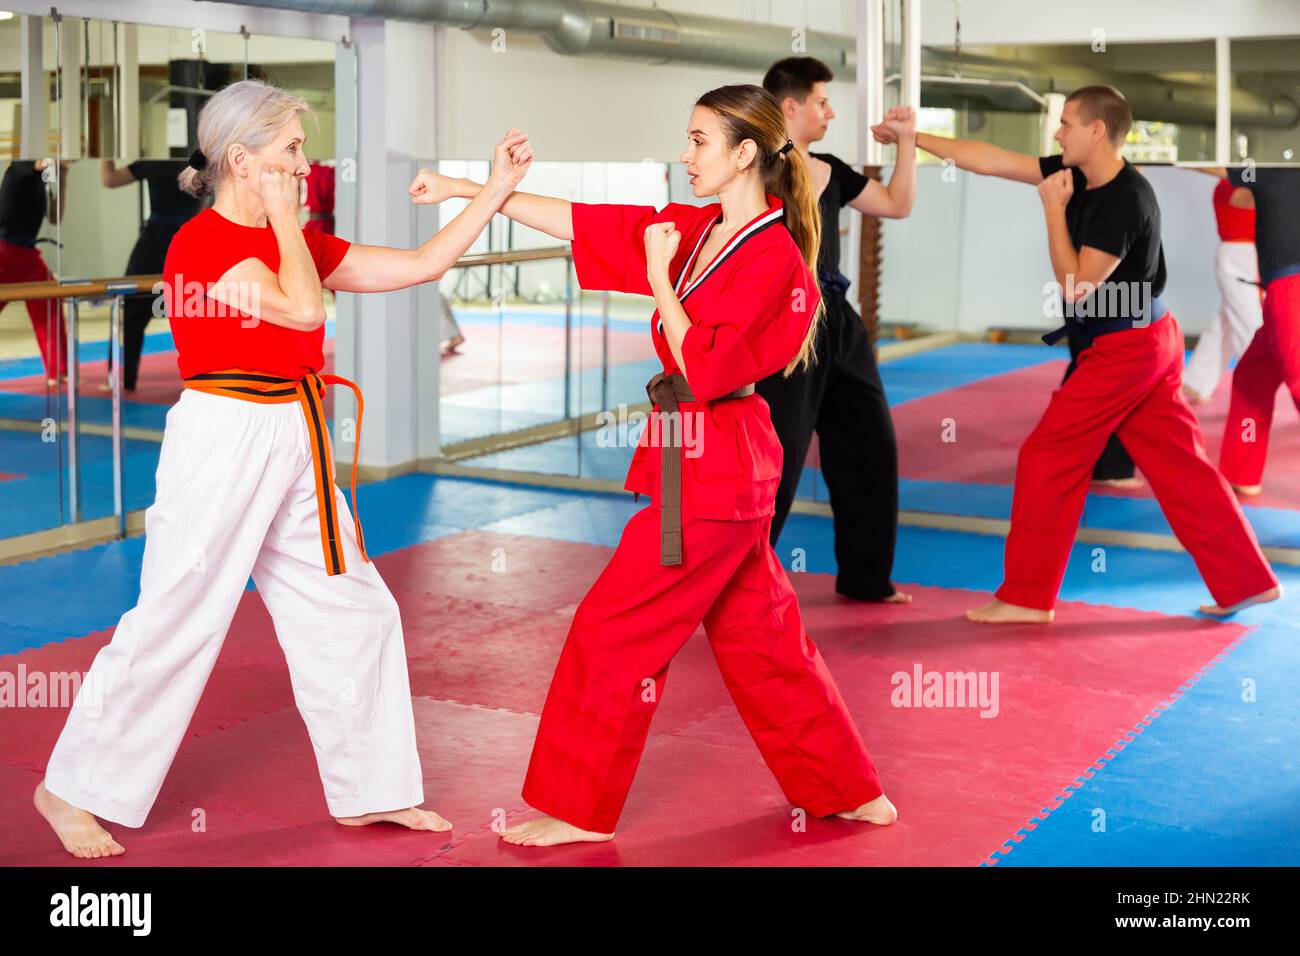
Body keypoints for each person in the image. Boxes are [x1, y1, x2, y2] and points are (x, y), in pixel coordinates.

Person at [35, 79, 534, 859]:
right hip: (225, 436)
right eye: (292, 149)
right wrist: (287, 223)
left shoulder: (286, 239)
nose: (306, 163)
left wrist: (496, 189)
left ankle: (372, 791)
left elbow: (423, 263)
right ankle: (69, 788)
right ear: (243, 158)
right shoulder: (202, 246)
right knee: (179, 617)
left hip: (296, 436)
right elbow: (304, 310)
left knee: (356, 610)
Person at [410, 86, 897, 848]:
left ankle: (579, 809)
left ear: (744, 154)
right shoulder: (700, 229)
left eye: (700, 141)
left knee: (611, 633)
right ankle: (848, 791)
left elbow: (703, 365)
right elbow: (585, 222)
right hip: (704, 457)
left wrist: (664, 278)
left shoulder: (779, 263)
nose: (685, 154)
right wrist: (478, 190)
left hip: (718, 464)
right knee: (765, 644)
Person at [893, 85, 1280, 623]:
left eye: (1066, 123)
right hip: (1148, 338)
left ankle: (1027, 598)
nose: (1057, 132)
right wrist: (913, 138)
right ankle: (1246, 580)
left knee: (1047, 457)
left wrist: (1053, 210)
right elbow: (992, 160)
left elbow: (1075, 283)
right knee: (1180, 465)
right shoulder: (1078, 172)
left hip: (1128, 348)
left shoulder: (1125, 198)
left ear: (1097, 130)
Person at [757, 56, 917, 604]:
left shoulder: (831, 168)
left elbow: (897, 205)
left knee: (872, 444)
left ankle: (868, 579)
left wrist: (907, 143)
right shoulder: (759, 171)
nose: (830, 111)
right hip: (784, 324)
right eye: (822, 102)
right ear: (790, 108)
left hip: (837, 322)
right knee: (778, 457)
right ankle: (737, 585)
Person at [1193, 165, 1300, 497]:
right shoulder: (1278, 173)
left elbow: (1220, 169)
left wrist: (1169, 156)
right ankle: (1241, 471)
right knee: (1251, 378)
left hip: (1289, 289)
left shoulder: (1273, 170)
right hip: (1280, 291)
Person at [100, 158, 205, 391]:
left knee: (130, 312)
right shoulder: (198, 159)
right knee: (200, 313)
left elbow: (109, 179)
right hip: (190, 240)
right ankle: (207, 378)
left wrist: (106, 148)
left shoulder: (152, 160)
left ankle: (120, 378)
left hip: (156, 243)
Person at [1181, 177, 1261, 405]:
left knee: (1227, 323)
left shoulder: (1236, 186)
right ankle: (1255, 394)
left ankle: (1196, 381)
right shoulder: (1232, 188)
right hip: (1239, 258)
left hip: (1245, 256)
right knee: (1250, 326)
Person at [0, 158, 69, 384]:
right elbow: (43, 163)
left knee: (50, 304)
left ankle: (58, 372)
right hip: (4, 252)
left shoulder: (42, 180)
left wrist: (64, 176)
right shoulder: (18, 167)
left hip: (27, 256)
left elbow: (55, 218)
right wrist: (60, 157)